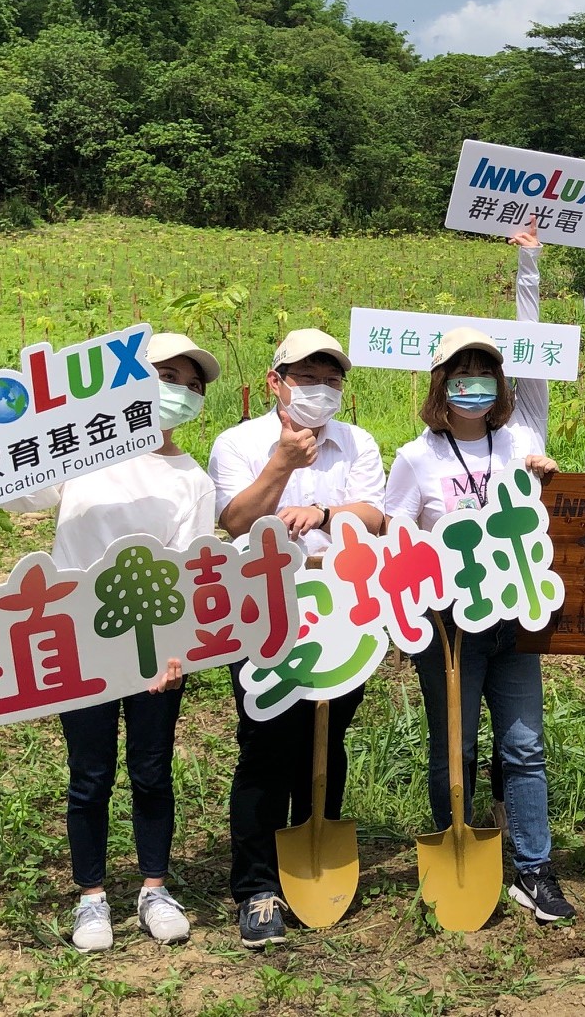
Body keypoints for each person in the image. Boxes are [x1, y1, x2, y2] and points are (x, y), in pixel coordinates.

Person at [0, 332, 222, 953]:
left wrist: (175, 652)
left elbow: (188, 572)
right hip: (77, 638)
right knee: (90, 774)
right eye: (168, 377)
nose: (180, 393)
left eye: (192, 386)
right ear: (132, 381)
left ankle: (155, 888)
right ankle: (91, 897)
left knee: (152, 770)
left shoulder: (192, 479)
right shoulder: (84, 449)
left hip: (151, 641)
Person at [383, 225, 578, 925]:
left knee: (524, 746)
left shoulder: (521, 437)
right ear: (442, 384)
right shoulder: (416, 458)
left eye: (486, 373)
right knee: (456, 746)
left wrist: (529, 265)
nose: (474, 384)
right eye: (461, 373)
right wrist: (405, 619)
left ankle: (533, 869)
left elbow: (538, 359)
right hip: (447, 627)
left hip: (514, 618)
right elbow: (396, 538)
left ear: (500, 384)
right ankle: (460, 853)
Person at [207, 328, 386, 948]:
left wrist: (328, 514)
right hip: (263, 606)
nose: (320, 390)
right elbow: (234, 520)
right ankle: (257, 886)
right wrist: (283, 463)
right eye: (307, 378)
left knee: (327, 734)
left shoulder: (357, 442)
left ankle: (311, 857)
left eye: (331, 381)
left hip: (340, 606)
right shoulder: (237, 444)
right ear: (275, 382)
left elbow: (374, 515)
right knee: (265, 740)